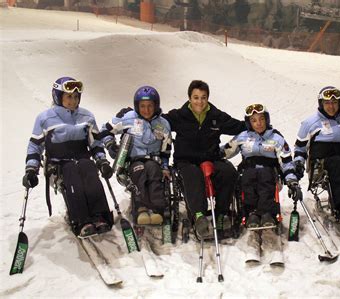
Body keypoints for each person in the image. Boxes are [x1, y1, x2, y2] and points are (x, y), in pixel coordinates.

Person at [23, 76, 114, 238]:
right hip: (59, 164)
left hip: (82, 159)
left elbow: (95, 144)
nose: (73, 101)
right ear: (58, 97)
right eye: (68, 97)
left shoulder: (86, 116)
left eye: (76, 97)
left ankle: (100, 216)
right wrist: (31, 169)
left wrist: (102, 161)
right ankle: (81, 220)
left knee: (89, 171)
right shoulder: (45, 118)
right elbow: (35, 145)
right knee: (72, 173)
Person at [162, 80, 246, 237]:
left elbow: (238, 126)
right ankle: (199, 217)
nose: (199, 102)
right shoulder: (179, 116)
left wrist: (258, 124)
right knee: (193, 174)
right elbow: (157, 120)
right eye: (195, 97)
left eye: (203, 97)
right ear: (189, 98)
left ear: (208, 98)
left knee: (229, 172)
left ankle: (221, 215)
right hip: (186, 160)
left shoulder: (216, 116)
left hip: (211, 158)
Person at [293, 86, 340, 222]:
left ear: (339, 103)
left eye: (334, 103)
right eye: (327, 103)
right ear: (321, 104)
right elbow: (300, 147)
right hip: (321, 162)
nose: (331, 107)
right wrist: (298, 162)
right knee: (337, 164)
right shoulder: (310, 123)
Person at [100, 86, 172, 225]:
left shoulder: (163, 124)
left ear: (156, 105)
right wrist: (111, 145)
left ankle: (157, 208)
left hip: (153, 160)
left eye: (150, 106)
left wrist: (164, 166)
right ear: (136, 106)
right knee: (140, 170)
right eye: (142, 106)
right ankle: (141, 208)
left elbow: (166, 150)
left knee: (153, 171)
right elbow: (105, 130)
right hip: (132, 161)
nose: (146, 110)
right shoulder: (128, 118)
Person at [221, 104, 299, 228]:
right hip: (249, 172)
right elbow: (226, 151)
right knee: (247, 176)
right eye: (254, 120)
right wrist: (209, 151)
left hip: (270, 173)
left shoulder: (276, 138)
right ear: (249, 122)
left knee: (265, 175)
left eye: (261, 119)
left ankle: (266, 212)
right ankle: (251, 213)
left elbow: (286, 160)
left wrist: (291, 180)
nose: (258, 123)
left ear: (267, 120)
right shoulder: (243, 137)